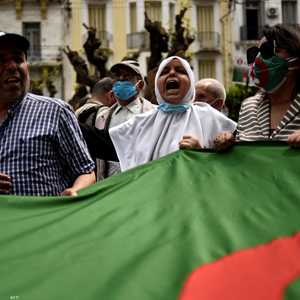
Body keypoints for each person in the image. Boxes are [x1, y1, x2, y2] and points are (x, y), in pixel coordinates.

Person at [81, 56, 236, 171]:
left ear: (191, 84)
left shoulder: (209, 117)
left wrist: (205, 151)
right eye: (165, 72)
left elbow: (233, 161)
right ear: (157, 84)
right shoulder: (140, 123)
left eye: (181, 71)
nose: (172, 74)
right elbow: (104, 146)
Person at [0, 32, 95, 196]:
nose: (12, 66)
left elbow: (86, 171)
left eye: (18, 59)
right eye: (1, 60)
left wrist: (75, 191)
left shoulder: (55, 112)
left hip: (43, 221)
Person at [214, 24, 300, 150]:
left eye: (268, 50)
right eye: (255, 53)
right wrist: (226, 144)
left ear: (296, 61)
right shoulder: (248, 106)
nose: (258, 59)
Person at [93, 60, 154, 179]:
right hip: (110, 185)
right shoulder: (102, 118)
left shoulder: (153, 114)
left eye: (126, 77)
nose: (121, 80)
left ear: (140, 85)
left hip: (141, 180)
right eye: (117, 77)